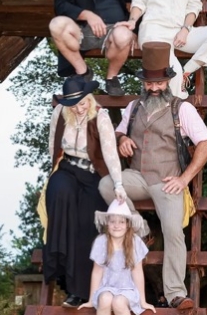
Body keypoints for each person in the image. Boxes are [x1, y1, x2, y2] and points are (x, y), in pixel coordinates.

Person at [99, 42, 207, 312]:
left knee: (174, 232)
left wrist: (184, 179)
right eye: (149, 83)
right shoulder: (134, 107)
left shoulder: (181, 109)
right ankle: (141, 230)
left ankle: (175, 293)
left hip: (168, 181)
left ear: (168, 81)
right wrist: (122, 139)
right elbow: (117, 132)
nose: (154, 88)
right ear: (143, 82)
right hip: (137, 176)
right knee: (106, 185)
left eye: (159, 83)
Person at [43, 76, 129, 308]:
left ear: (88, 99)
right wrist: (52, 170)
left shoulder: (100, 116)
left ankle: (80, 291)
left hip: (92, 174)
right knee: (59, 194)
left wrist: (118, 184)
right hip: (67, 169)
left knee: (86, 223)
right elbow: (53, 143)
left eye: (82, 103)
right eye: (74, 105)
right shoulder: (60, 113)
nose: (79, 109)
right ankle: (60, 269)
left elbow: (110, 153)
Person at [79, 200, 156, 315]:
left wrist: (143, 301)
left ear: (128, 224)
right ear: (107, 223)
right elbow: (97, 272)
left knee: (118, 302)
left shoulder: (134, 242)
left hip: (127, 289)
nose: (116, 226)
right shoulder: (101, 242)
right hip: (106, 287)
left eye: (121, 222)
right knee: (104, 299)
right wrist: (90, 300)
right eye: (112, 221)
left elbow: (137, 272)